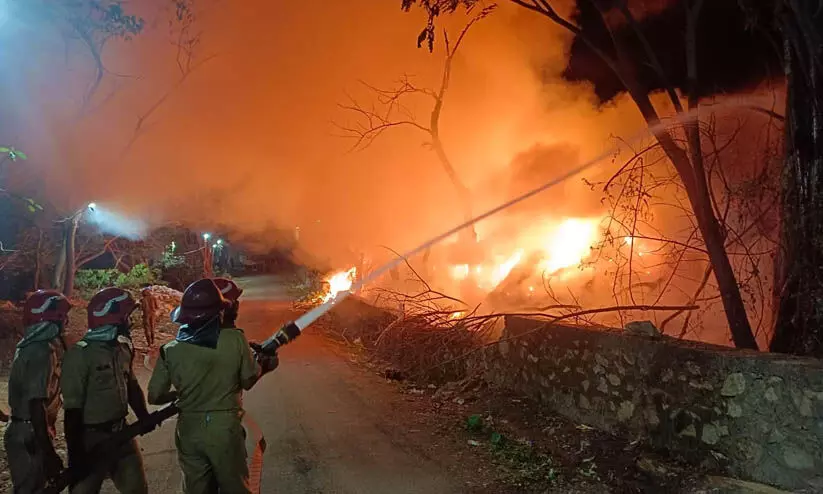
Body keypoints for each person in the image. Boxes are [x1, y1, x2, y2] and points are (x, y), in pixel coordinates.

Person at [147, 279, 278, 494]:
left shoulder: (170, 350)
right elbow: (248, 380)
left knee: (196, 488)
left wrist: (185, 394)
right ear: (219, 312)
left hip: (188, 429)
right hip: (224, 429)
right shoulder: (235, 339)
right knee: (234, 486)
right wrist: (264, 366)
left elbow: (155, 396)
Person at [61, 287, 151, 494]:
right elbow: (72, 411)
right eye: (127, 316)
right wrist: (76, 457)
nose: (130, 322)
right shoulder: (79, 355)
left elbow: (132, 386)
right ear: (114, 318)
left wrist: (143, 416)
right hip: (90, 441)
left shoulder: (122, 348)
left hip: (122, 432)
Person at [5, 290, 71, 493]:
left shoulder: (27, 346)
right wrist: (48, 452)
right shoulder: (42, 351)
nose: (66, 321)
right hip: (30, 434)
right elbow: (36, 404)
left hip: (25, 430)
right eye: (63, 316)